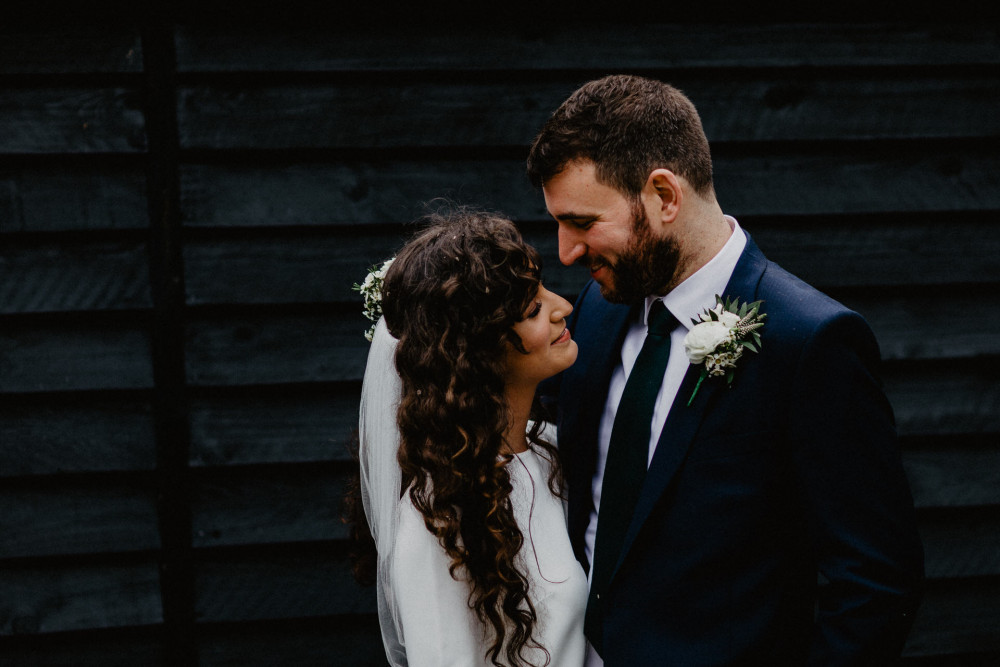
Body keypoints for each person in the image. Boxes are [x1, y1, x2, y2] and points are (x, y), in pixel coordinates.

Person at [526, 75, 924, 665]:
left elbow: (875, 582)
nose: (565, 252)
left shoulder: (810, 342)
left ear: (664, 195)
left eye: (583, 222)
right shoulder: (592, 313)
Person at [356, 209, 588, 666]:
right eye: (533, 309)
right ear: (478, 353)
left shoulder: (549, 451)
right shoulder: (439, 520)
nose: (563, 306)